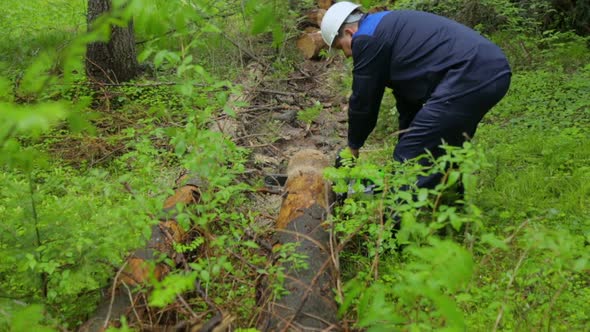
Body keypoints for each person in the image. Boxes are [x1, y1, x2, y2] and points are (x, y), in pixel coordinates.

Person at [321, 2, 511, 190]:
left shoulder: (366, 38)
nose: (346, 55)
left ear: (349, 33)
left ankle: (399, 218)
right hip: (490, 69)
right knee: (443, 148)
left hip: (469, 73)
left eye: (341, 47)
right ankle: (449, 210)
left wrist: (353, 147)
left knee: (411, 157)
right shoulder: (386, 27)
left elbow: (364, 101)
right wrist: (406, 135)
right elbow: (408, 99)